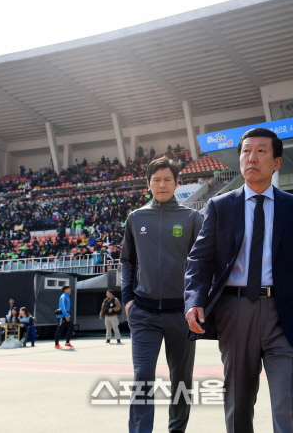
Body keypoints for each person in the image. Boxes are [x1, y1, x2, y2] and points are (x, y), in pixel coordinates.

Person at [184, 127, 293, 433]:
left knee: (290, 407)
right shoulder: (220, 206)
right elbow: (199, 260)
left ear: (276, 162)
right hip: (235, 312)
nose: (251, 157)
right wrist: (194, 300)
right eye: (246, 151)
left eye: (260, 151)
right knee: (238, 405)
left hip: (285, 316)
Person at [121, 156, 203, 433]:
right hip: (143, 312)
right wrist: (128, 300)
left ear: (177, 183)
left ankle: (176, 430)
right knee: (142, 376)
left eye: (168, 179)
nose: (162, 184)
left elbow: (202, 263)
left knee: (181, 379)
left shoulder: (192, 218)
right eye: (156, 179)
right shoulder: (136, 218)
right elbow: (127, 261)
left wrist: (197, 303)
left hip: (181, 314)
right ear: (148, 184)